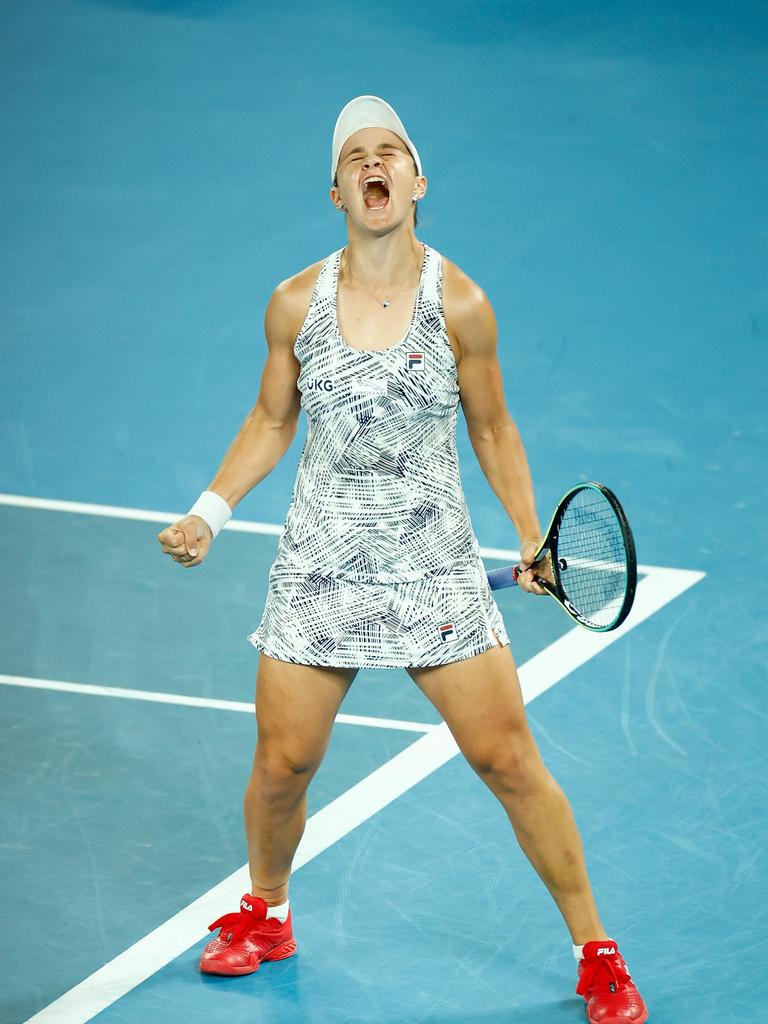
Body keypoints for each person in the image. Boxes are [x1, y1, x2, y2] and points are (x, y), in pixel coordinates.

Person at [157, 95, 648, 1023]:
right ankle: (267, 913)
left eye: (391, 154)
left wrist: (529, 531)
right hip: (320, 568)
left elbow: (493, 427)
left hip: (433, 569)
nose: (373, 165)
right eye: (355, 158)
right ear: (337, 190)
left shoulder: (458, 302)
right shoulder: (295, 301)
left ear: (416, 183)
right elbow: (272, 420)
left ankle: (598, 950)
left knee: (509, 762)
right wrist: (210, 512)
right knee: (281, 766)